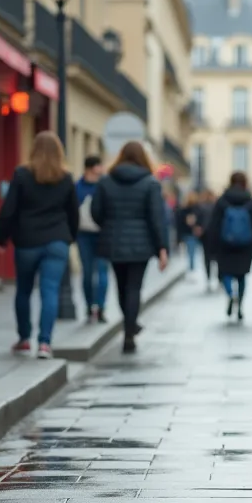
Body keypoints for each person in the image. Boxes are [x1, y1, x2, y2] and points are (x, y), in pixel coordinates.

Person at [0, 131, 79, 359]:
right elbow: (73, 213)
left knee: (24, 290)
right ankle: (45, 343)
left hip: (28, 242)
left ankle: (24, 338)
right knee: (50, 290)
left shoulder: (22, 175)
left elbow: (9, 210)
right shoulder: (66, 178)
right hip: (57, 241)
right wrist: (70, 237)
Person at [90, 141, 168, 354]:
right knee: (134, 287)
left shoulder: (106, 181)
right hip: (141, 243)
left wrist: (109, 225)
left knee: (121, 286)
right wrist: (162, 247)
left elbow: (96, 212)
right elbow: (156, 218)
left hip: (114, 241)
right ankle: (129, 332)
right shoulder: (150, 183)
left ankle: (129, 323)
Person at [207, 172, 252, 321]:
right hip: (246, 245)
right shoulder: (251, 202)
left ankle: (230, 294)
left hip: (225, 244)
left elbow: (214, 225)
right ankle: (239, 304)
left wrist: (211, 247)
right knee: (242, 276)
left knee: (226, 273)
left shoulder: (222, 201)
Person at [74, 155, 109, 323]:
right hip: (83, 235)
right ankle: (89, 306)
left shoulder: (104, 186)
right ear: (89, 168)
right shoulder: (77, 187)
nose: (101, 170)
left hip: (103, 235)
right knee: (87, 273)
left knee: (102, 272)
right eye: (98, 167)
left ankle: (101, 307)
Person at [175, 192, 202, 274]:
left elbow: (178, 224)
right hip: (191, 234)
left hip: (186, 234)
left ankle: (190, 269)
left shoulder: (182, 210)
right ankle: (191, 269)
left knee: (189, 252)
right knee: (191, 252)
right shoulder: (197, 210)